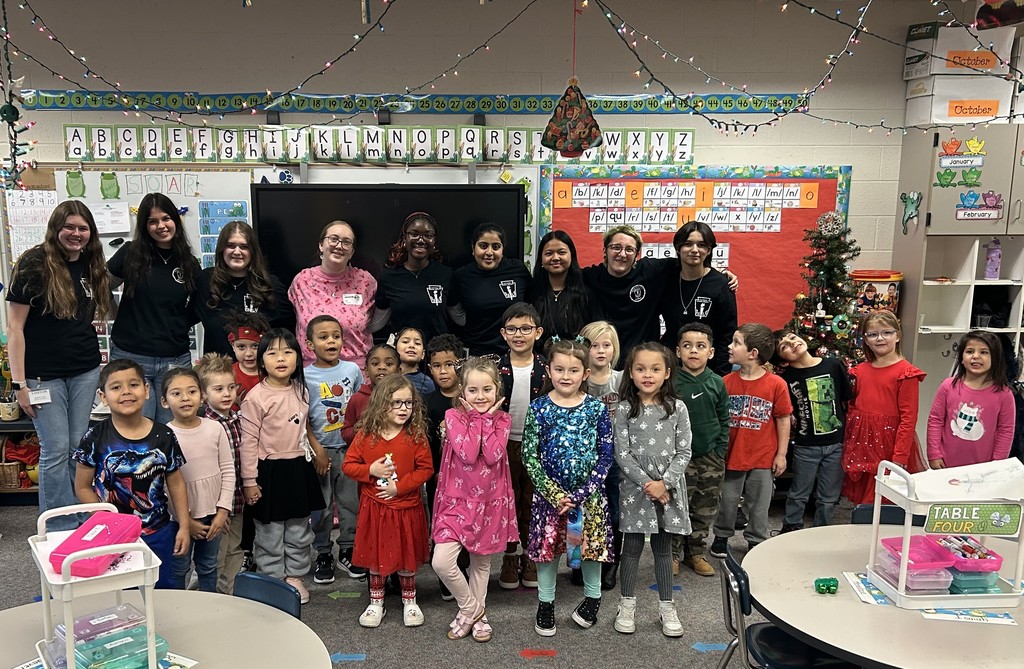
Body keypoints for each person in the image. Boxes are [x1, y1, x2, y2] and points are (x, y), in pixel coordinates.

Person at [5, 200, 112, 530]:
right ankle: (56, 526)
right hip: (41, 376)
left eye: (83, 228)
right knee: (55, 449)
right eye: (70, 227)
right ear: (56, 228)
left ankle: (78, 517)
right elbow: (15, 329)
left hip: (84, 369)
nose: (76, 234)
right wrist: (20, 385)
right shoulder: (34, 264)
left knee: (78, 447)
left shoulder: (92, 263)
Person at [522, 337, 614, 637]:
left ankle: (592, 599)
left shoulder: (596, 410)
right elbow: (529, 455)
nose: (565, 376)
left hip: (588, 500)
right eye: (559, 369)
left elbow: (605, 454)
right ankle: (546, 603)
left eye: (573, 371)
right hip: (550, 500)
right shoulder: (539, 408)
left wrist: (582, 493)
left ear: (585, 374)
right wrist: (554, 493)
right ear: (548, 370)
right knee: (548, 552)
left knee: (589, 551)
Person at [73, 359, 190, 589]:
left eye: (134, 384)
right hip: (111, 536)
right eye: (116, 387)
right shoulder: (94, 438)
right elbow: (82, 486)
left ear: (147, 390)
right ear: (102, 396)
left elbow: (176, 482)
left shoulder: (164, 435)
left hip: (157, 531)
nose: (126, 392)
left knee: (162, 592)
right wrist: (106, 519)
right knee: (118, 595)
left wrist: (184, 525)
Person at [431, 357, 517, 643]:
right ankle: (474, 612)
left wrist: (486, 420)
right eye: (473, 390)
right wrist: (479, 420)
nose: (480, 396)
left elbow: (492, 455)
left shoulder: (504, 420)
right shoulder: (452, 417)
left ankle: (472, 616)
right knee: (442, 562)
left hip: (490, 504)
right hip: (455, 502)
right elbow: (468, 453)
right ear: (462, 392)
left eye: (487, 390)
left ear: (497, 390)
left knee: (481, 565)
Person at [239, 329, 327, 605]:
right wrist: (249, 481)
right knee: (270, 530)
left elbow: (303, 430)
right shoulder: (255, 397)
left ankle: (295, 577)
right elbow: (249, 443)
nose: (281, 358)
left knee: (300, 528)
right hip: (270, 471)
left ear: (298, 358)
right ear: (261, 360)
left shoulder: (301, 390)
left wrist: (316, 453)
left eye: (288, 352)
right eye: (272, 352)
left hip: (298, 468)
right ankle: (273, 579)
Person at [342, 375, 434, 629]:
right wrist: (370, 470)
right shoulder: (366, 435)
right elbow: (348, 465)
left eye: (409, 403)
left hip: (406, 507)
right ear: (382, 404)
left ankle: (410, 600)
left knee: (406, 554)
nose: (404, 409)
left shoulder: (415, 435)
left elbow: (426, 469)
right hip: (375, 508)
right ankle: (376, 601)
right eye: (397, 403)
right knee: (376, 556)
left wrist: (399, 487)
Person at [612, 343, 691, 638]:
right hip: (636, 488)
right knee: (630, 548)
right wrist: (649, 484)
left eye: (655, 369)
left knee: (662, 548)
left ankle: (666, 606)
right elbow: (623, 454)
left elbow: (684, 452)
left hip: (668, 488)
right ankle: (626, 604)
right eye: (641, 369)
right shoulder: (624, 409)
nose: (648, 375)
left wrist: (664, 483)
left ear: (667, 373)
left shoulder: (677, 408)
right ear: (630, 373)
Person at [107, 193, 201, 423]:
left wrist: (177, 324)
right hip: (131, 356)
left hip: (175, 357)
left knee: (175, 429)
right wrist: (115, 313)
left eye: (166, 218)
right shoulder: (130, 253)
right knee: (136, 430)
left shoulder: (188, 261)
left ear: (176, 220)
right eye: (152, 221)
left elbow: (198, 306)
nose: (161, 226)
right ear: (145, 226)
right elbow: (101, 286)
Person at [710, 324, 792, 558]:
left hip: (762, 458)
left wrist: (781, 454)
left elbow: (783, 419)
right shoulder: (725, 382)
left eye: (736, 342)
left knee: (759, 504)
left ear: (753, 353)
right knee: (727, 501)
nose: (730, 346)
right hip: (731, 455)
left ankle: (756, 539)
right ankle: (722, 536)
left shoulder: (776, 384)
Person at [161, 367, 234, 592]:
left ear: (201, 396)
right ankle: (179, 610)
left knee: (208, 565)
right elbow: (163, 485)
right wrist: (185, 521)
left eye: (191, 391)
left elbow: (228, 469)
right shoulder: (164, 435)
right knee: (179, 567)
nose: (185, 398)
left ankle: (210, 609)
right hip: (179, 519)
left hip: (213, 514)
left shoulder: (215, 428)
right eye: (176, 393)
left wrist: (223, 510)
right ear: (164, 402)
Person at [304, 315, 366, 585]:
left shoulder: (352, 370)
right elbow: (302, 416)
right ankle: (323, 552)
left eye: (336, 336)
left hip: (350, 449)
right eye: (323, 337)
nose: (331, 341)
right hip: (321, 451)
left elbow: (362, 405)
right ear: (309, 344)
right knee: (322, 508)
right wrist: (316, 449)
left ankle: (348, 549)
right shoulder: (305, 375)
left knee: (351, 503)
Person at [842, 310, 926, 505]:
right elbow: (854, 407)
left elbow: (909, 417)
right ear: (866, 340)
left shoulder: (906, 373)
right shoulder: (860, 370)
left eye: (886, 333)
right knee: (863, 499)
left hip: (889, 445)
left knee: (882, 499)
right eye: (872, 334)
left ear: (897, 336)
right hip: (862, 442)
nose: (880, 338)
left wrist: (900, 455)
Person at [773, 330, 852, 531]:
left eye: (792, 338)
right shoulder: (786, 380)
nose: (792, 344)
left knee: (829, 497)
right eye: (784, 347)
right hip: (805, 446)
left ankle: (822, 531)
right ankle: (790, 527)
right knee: (799, 492)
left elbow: (845, 398)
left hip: (836, 444)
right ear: (782, 360)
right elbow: (785, 412)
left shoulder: (832, 365)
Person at [496, 303, 547, 591]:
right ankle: (509, 555)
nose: (519, 334)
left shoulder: (548, 368)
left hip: (536, 446)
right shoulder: (494, 367)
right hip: (503, 446)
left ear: (537, 332)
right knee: (508, 502)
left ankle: (531, 556)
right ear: (504, 333)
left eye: (526, 329)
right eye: (513, 329)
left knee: (532, 502)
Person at [671, 322, 729, 577]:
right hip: (677, 459)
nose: (693, 351)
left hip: (710, 458)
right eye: (687, 346)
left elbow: (724, 418)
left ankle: (695, 553)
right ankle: (671, 554)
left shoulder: (717, 382)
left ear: (711, 352)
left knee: (704, 508)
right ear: (677, 351)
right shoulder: (671, 381)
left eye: (700, 346)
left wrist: (719, 452)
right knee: (675, 506)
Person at [194, 221, 293, 357]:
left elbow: (286, 333)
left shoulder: (271, 285)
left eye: (244, 246)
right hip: (218, 372)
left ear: (252, 251)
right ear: (222, 249)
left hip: (258, 371)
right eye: (230, 245)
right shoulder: (205, 281)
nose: (237, 251)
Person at [289, 220, 376, 369]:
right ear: (321, 245)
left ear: (352, 252)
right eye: (334, 239)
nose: (339, 246)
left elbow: (379, 317)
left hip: (358, 373)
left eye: (346, 242)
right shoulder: (302, 281)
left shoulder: (366, 281)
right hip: (312, 374)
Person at [194, 353, 246, 595]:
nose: (226, 394)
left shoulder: (236, 418)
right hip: (216, 505)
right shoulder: (205, 424)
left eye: (231, 387)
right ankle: (211, 597)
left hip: (236, 499)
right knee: (215, 555)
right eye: (218, 389)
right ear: (204, 394)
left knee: (235, 549)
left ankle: (232, 595)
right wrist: (219, 507)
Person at [927, 330, 1015, 468]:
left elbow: (1006, 430)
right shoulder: (948, 386)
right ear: (961, 357)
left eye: (984, 352)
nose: (975, 356)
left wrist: (998, 463)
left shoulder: (1004, 394)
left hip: (983, 467)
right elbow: (935, 420)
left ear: (995, 358)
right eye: (969, 351)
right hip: (946, 464)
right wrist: (934, 454)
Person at [659, 222, 737, 376]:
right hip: (669, 366)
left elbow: (727, 334)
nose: (695, 250)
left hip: (707, 369)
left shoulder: (721, 284)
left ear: (708, 250)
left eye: (701, 245)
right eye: (688, 244)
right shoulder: (665, 278)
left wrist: (721, 376)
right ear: (678, 248)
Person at [580, 320, 623, 590]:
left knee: (615, 514)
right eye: (594, 345)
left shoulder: (621, 380)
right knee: (587, 514)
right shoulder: (578, 380)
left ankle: (611, 565)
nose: (600, 351)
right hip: (585, 459)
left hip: (617, 458)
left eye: (606, 345)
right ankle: (585, 561)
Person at [373, 212, 460, 344]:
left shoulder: (446, 274)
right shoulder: (388, 276)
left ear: (434, 240)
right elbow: (378, 322)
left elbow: (459, 318)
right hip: (404, 355)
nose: (421, 240)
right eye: (414, 234)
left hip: (438, 355)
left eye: (428, 235)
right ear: (404, 238)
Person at [424, 333, 465, 602]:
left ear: (460, 364)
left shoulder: (470, 397)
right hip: (438, 477)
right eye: (437, 366)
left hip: (470, 477)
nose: (444, 371)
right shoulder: (427, 402)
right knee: (442, 524)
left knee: (468, 523)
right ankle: (446, 574)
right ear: (430, 368)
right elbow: (425, 443)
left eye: (449, 364)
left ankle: (464, 568)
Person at [451, 223, 531, 355]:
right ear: (473, 248)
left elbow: (530, 304)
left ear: (503, 249)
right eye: (483, 246)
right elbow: (455, 312)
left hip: (514, 352)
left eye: (496, 247)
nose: (489, 252)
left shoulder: (518, 270)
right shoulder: (461, 276)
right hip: (476, 353)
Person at [531, 230, 593, 347]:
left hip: (577, 360)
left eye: (561, 252)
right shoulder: (531, 292)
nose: (555, 258)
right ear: (541, 259)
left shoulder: (586, 293)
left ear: (571, 255)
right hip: (540, 361)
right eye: (549, 253)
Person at [341, 344, 400, 448]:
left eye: (389, 364)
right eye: (375, 363)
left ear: (399, 371)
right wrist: (354, 431)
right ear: (366, 371)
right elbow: (345, 432)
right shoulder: (357, 399)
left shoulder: (404, 398)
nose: (382, 367)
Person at [225, 312, 268, 405]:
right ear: (233, 346)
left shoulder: (271, 373)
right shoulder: (226, 374)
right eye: (241, 347)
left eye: (255, 346)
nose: (249, 353)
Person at [395, 326, 436, 396]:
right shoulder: (386, 376)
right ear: (394, 349)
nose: (411, 345)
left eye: (417, 343)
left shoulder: (427, 383)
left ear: (423, 354)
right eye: (405, 342)